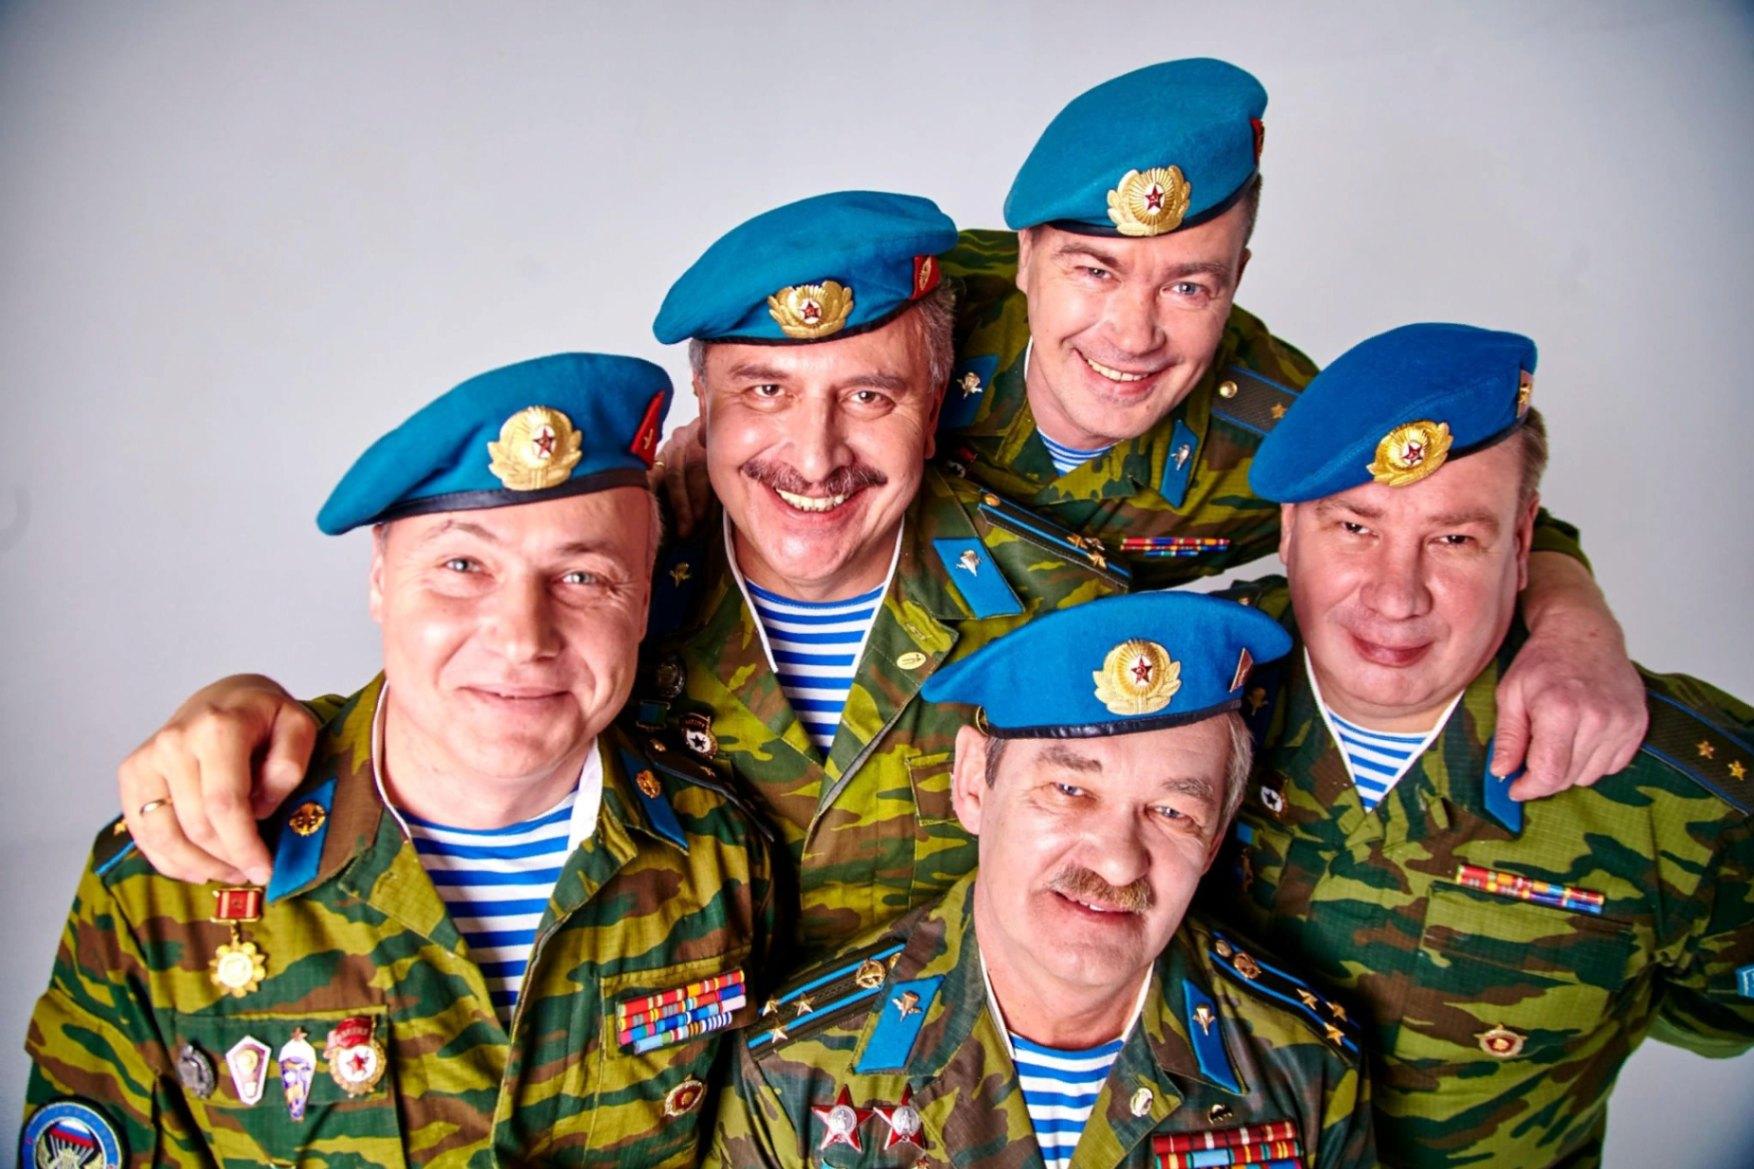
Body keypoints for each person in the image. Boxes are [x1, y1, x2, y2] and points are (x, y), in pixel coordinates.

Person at [112, 192, 1126, 967]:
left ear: (934, 405)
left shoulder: (1064, 615)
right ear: (703, 409)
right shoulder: (611, 581)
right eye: (764, 391)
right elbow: (455, 682)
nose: (814, 456)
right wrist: (245, 707)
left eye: (868, 395)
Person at [656, 58, 1648, 801]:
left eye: (1187, 286)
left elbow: (1470, 510)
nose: (1131, 336)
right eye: (1094, 271)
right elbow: (779, 372)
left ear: (1238, 278)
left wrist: (1576, 632)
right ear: (1022, 256)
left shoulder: (1274, 424)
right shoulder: (917, 308)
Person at [22, 354, 773, 1167]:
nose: (522, 637)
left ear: (643, 602)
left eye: (584, 575)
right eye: (463, 566)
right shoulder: (170, 870)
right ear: (379, 580)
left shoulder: (723, 855)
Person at [1202, 323, 1754, 1167]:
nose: (1397, 596)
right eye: (1355, 527)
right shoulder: (1189, 690)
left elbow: (1722, 1018)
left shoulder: (1682, 796)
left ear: (1524, 542)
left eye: (1454, 539)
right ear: (1287, 529)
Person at [708, 591, 1376, 1169]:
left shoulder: (1303, 1068)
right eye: (1070, 789)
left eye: (1172, 812)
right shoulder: (798, 1071)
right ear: (974, 783)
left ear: (1214, 841)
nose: (1118, 863)